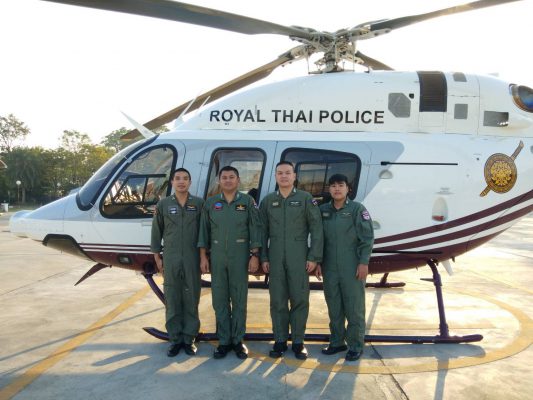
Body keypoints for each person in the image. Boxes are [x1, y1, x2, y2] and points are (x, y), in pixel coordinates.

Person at [260, 161, 323, 360]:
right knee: (277, 300)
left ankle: (298, 342)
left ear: (294, 176)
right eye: (280, 173)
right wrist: (263, 256)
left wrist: (314, 257)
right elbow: (262, 231)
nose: (284, 176)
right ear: (275, 176)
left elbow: (317, 229)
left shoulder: (305, 199)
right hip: (275, 255)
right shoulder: (268, 201)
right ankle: (279, 341)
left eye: (288, 173)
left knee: (300, 299)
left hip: (299, 255)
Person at [197, 166, 261, 360]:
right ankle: (224, 341)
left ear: (238, 180)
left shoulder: (247, 202)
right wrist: (203, 257)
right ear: (219, 181)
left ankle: (238, 340)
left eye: (231, 177)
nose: (228, 180)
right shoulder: (211, 203)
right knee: (220, 299)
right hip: (217, 256)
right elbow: (203, 231)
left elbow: (255, 229)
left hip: (240, 256)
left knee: (239, 298)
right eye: (224, 177)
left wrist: (255, 255)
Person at [316, 174, 374, 361]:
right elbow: (317, 238)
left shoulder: (357, 209)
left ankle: (355, 345)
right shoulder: (323, 210)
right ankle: (337, 342)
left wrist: (363, 262)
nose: (337, 189)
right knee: (334, 306)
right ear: (329, 189)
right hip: (329, 266)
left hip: (352, 266)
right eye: (333, 186)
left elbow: (367, 238)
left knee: (354, 307)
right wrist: (317, 261)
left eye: (340, 185)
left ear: (348, 188)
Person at [150, 168, 204, 357]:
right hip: (171, 257)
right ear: (172, 182)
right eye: (178, 178)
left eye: (185, 178)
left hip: (192, 257)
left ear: (190, 182)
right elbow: (156, 231)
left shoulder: (199, 203)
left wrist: (203, 256)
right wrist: (157, 257)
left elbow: (204, 232)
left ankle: (189, 339)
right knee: (172, 297)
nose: (181, 181)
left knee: (192, 297)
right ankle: (174, 339)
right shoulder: (163, 204)